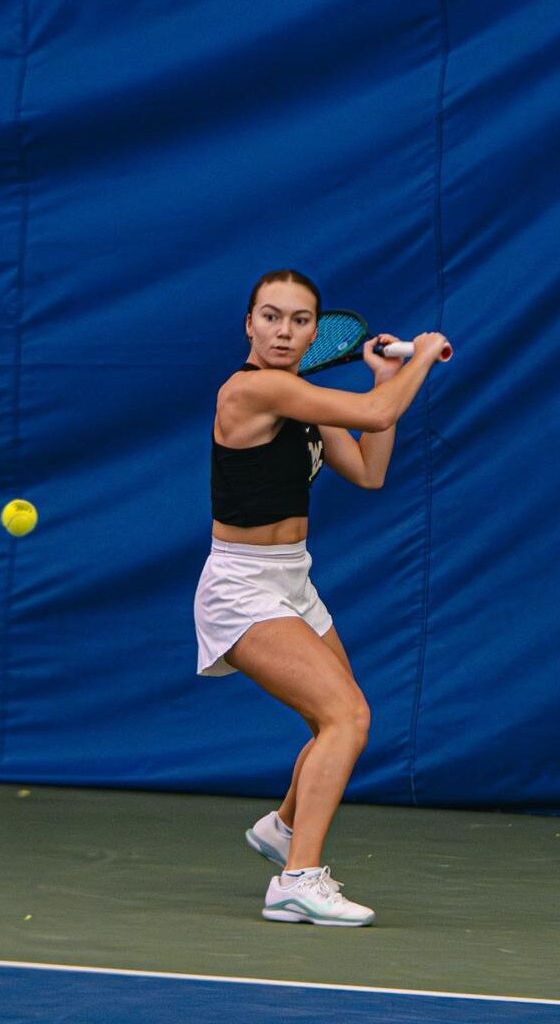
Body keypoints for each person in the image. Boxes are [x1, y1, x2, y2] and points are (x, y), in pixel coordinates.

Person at [193, 268, 449, 926]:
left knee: (333, 722)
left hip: (293, 580)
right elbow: (378, 414)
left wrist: (387, 376)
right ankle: (295, 880)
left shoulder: (301, 398)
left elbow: (369, 468)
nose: (284, 331)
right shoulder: (252, 389)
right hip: (243, 587)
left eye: (299, 320)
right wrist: (422, 357)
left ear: (314, 332)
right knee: (348, 717)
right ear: (249, 326)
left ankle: (283, 828)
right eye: (271, 317)